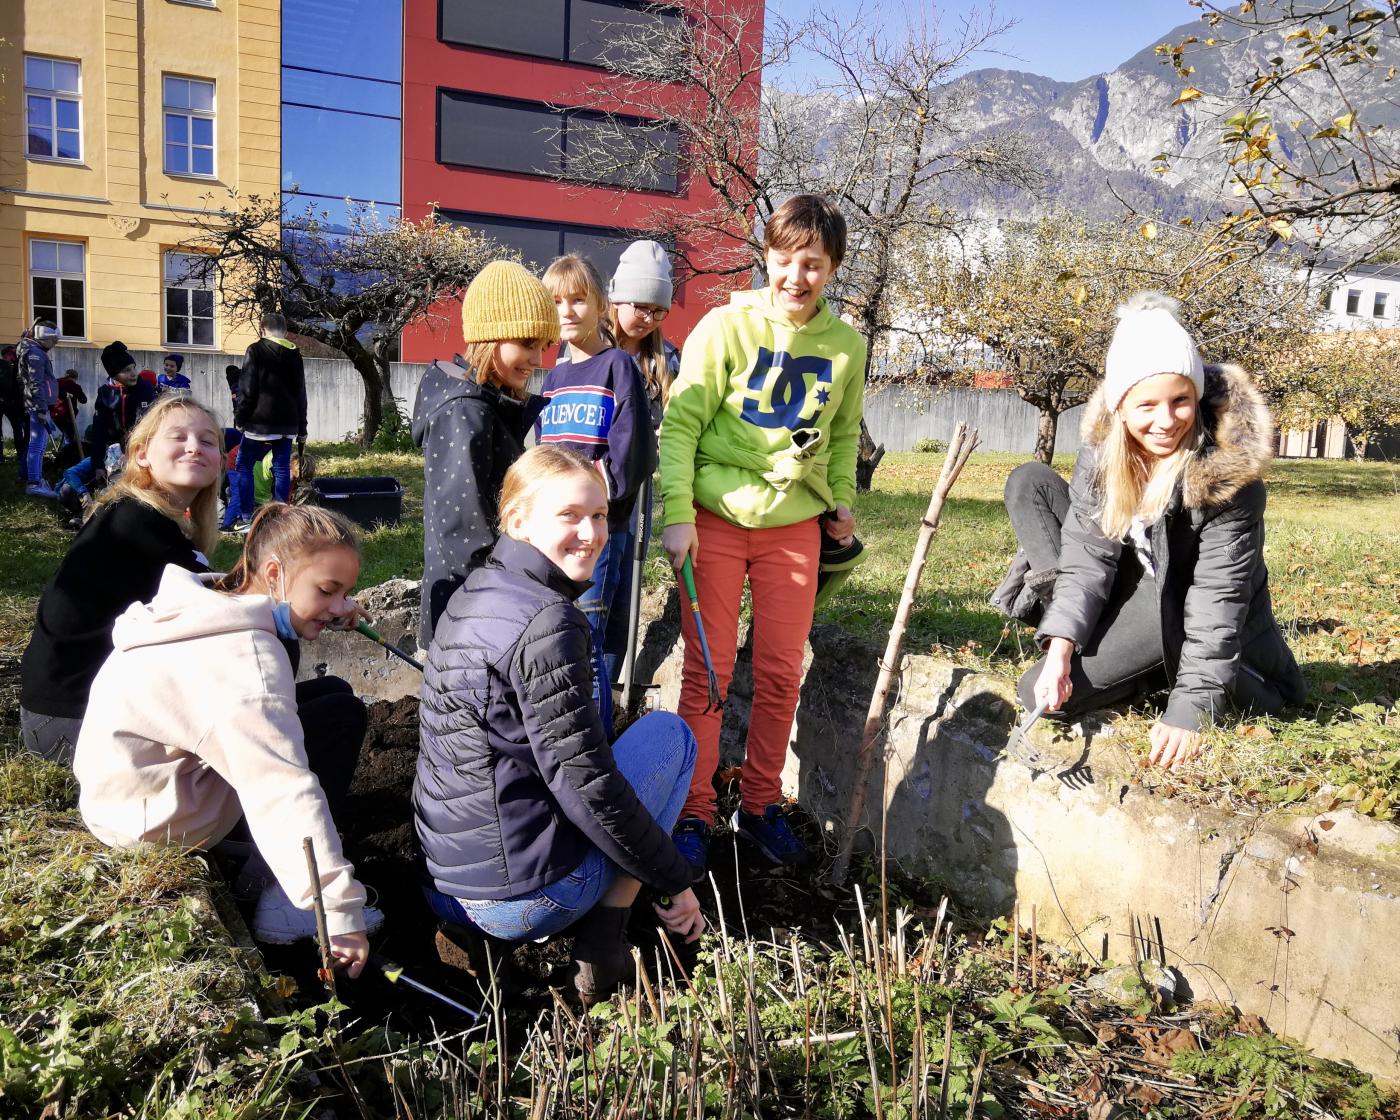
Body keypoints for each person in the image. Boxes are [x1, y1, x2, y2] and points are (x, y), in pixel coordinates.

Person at [416, 445, 705, 1006]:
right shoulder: (548, 621)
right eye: (569, 515)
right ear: (517, 520)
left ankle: (469, 935)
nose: (592, 533)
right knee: (671, 736)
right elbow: (588, 788)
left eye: (599, 516)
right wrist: (675, 880)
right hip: (522, 901)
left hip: (444, 885)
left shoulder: (476, 591)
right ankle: (605, 943)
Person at [994, 292, 1307, 772]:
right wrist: (1061, 646)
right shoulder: (1102, 458)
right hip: (1134, 585)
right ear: (1120, 407)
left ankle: (1165, 668)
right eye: (1147, 406)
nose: (1166, 421)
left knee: (1037, 694)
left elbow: (1216, 602)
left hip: (1191, 615)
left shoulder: (1229, 481)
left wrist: (1190, 712)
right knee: (1030, 483)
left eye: (1181, 401)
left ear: (1197, 397)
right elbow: (1086, 559)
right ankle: (1117, 646)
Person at [658, 194, 867, 876]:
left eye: (812, 264)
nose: (796, 277)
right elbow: (681, 426)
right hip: (715, 522)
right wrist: (678, 515)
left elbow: (840, 438)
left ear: (831, 267)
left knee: (780, 672)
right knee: (709, 673)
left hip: (793, 530)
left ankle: (758, 803)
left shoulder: (845, 347)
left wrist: (839, 502)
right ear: (766, 259)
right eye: (784, 261)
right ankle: (693, 809)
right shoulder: (724, 327)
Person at [74, 503, 383, 961]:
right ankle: (278, 897)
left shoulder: (205, 602)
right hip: (156, 822)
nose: (340, 606)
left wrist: (321, 609)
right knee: (330, 725)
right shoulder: (245, 665)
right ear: (274, 573)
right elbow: (282, 788)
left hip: (124, 792)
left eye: (345, 593)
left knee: (334, 697)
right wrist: (337, 911)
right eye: (327, 590)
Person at [20, 395, 223, 764]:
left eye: (208, 441)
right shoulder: (135, 522)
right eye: (178, 437)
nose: (194, 447)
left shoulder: (148, 520)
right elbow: (226, 607)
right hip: (73, 724)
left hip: (59, 717)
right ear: (142, 454)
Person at [411, 259, 559, 646]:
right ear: (490, 337)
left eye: (543, 346)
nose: (537, 360)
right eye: (527, 343)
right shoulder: (466, 410)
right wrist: (503, 603)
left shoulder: (487, 404)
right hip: (470, 612)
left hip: (483, 601)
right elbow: (463, 528)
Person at [538, 254, 656, 732]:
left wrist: (597, 501)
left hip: (602, 528)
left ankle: (590, 734)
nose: (567, 311)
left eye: (578, 300)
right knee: (568, 628)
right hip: (557, 533)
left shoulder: (617, 367)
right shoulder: (551, 379)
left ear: (600, 305)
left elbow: (632, 449)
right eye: (557, 302)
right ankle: (578, 728)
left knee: (592, 629)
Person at [602, 240, 680, 691]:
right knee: (593, 585)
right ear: (616, 297)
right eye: (641, 306)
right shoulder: (590, 347)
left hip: (637, 494)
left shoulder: (665, 359)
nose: (649, 318)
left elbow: (676, 420)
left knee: (624, 587)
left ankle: (609, 694)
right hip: (593, 488)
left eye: (659, 310)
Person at [231, 311, 307, 524]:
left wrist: (240, 417)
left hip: (259, 422)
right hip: (288, 424)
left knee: (244, 465)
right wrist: (302, 428)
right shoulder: (295, 354)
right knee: (281, 467)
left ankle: (246, 516)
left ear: (262, 330)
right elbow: (301, 392)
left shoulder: (255, 349)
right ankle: (280, 513)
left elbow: (247, 388)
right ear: (285, 332)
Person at [60, 341, 156, 504]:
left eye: (133, 368)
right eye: (126, 370)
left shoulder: (145, 389)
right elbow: (99, 431)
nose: (133, 374)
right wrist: (98, 464)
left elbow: (148, 423)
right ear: (114, 374)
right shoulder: (105, 394)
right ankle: (88, 507)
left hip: (141, 452)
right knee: (67, 491)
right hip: (112, 453)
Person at [17, 319, 61, 497]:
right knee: (37, 445)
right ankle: (34, 484)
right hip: (37, 406)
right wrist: (42, 409)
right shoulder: (35, 354)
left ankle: (36, 478)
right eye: (54, 341)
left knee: (39, 444)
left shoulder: (35, 351)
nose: (55, 344)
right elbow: (35, 383)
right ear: (44, 337)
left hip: (37, 405)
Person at [0, 343, 29, 477]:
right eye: (12, 354)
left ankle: (1, 457)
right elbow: (14, 386)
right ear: (8, 355)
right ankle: (21, 454)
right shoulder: (11, 367)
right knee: (17, 428)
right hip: (11, 404)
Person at [51, 368, 88, 468]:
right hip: (67, 416)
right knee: (69, 439)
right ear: (75, 378)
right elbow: (84, 400)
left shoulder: (55, 383)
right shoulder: (74, 386)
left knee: (66, 435)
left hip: (54, 415)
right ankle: (64, 462)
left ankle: (62, 457)